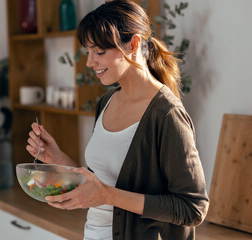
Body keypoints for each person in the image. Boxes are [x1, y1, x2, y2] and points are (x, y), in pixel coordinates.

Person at [26, 0, 209, 239]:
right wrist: (59, 159)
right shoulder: (106, 102)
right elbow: (101, 183)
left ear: (133, 44)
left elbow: (193, 208)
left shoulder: (166, 114)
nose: (90, 62)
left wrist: (108, 196)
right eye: (88, 52)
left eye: (99, 52)